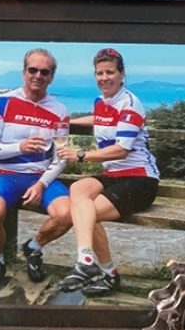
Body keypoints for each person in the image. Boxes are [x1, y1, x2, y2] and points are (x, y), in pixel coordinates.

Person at [57, 48, 159, 295]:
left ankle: (100, 270)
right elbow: (100, 119)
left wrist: (80, 155)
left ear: (122, 74)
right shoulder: (102, 102)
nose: (104, 78)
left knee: (85, 212)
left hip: (140, 179)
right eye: (99, 73)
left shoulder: (131, 104)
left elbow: (121, 150)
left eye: (110, 72)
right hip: (114, 176)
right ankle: (89, 263)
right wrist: (68, 122)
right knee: (79, 190)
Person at [0, 48, 72, 293]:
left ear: (51, 77)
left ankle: (34, 247)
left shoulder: (59, 111)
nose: (38, 75)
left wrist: (41, 184)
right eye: (33, 70)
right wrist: (20, 146)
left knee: (67, 214)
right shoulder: (2, 103)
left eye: (44, 71)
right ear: (23, 72)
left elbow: (61, 157)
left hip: (41, 177)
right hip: (6, 175)